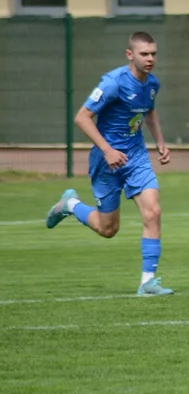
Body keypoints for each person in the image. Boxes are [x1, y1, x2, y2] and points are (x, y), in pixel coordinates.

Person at [45, 31, 174, 296]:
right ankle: (70, 205)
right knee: (108, 229)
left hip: (136, 157)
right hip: (107, 162)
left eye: (153, 54)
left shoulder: (152, 85)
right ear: (130, 55)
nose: (150, 59)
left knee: (153, 212)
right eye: (144, 54)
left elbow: (148, 111)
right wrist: (107, 150)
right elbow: (82, 118)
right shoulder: (113, 83)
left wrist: (160, 141)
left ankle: (147, 282)